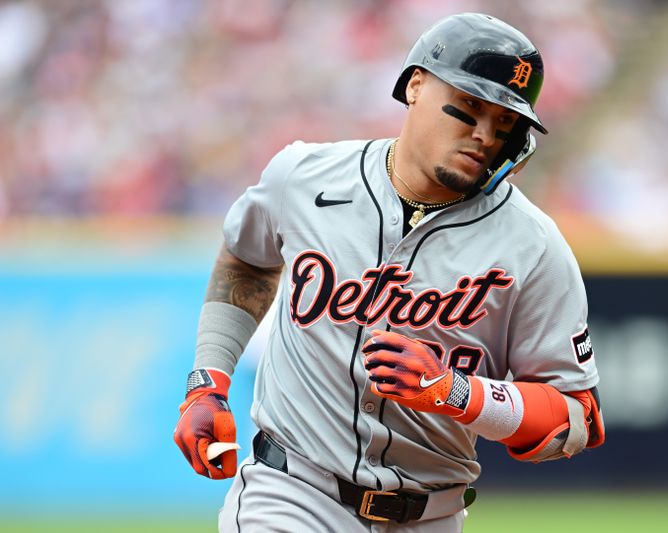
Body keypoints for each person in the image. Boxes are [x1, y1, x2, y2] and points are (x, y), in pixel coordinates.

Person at [174, 12, 605, 532]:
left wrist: (458, 393)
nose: (485, 135)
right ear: (415, 86)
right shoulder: (303, 178)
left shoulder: (533, 247)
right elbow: (247, 257)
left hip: (432, 512)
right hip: (292, 493)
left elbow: (574, 417)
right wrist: (208, 382)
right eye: (470, 108)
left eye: (504, 123)